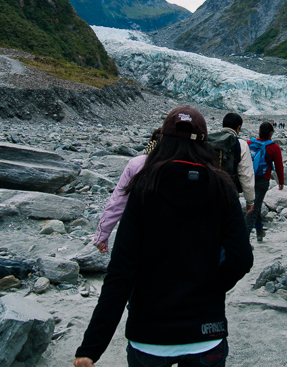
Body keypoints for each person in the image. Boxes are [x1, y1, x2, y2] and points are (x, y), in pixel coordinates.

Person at [74, 106, 253, 367]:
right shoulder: (221, 186)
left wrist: (91, 347)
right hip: (206, 333)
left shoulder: (145, 187)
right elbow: (241, 258)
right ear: (206, 144)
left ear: (163, 140)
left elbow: (121, 272)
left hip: (149, 335)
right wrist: (211, 287)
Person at [93, 128, 161, 253]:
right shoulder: (197, 166)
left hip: (140, 233)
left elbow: (118, 201)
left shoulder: (137, 164)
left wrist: (101, 235)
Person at [208, 113, 255, 214]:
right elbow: (246, 174)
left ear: (223, 125)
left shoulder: (209, 140)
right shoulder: (241, 144)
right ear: (238, 128)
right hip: (229, 192)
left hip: (208, 190)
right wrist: (250, 200)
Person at [246, 121, 284, 242]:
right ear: (271, 133)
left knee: (255, 204)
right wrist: (281, 181)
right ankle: (244, 239)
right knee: (254, 207)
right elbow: (279, 166)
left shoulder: (250, 143)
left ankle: (259, 230)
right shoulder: (274, 147)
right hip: (263, 179)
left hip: (248, 178)